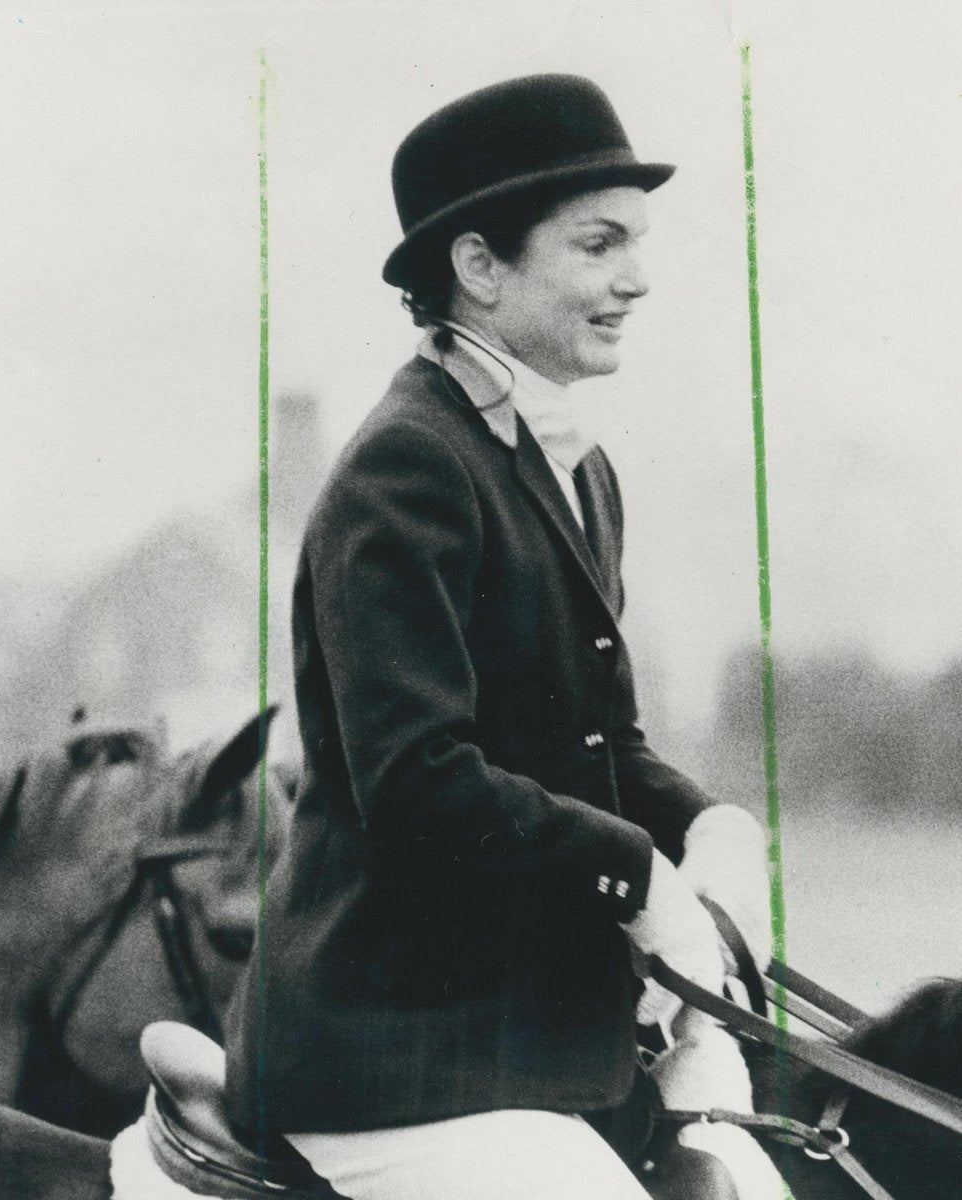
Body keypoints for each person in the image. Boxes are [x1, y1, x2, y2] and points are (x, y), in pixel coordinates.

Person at [224, 74, 773, 1200]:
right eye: (599, 243)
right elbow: (420, 783)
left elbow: (598, 746)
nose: (637, 277)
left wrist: (706, 824)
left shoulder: (574, 468)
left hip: (534, 1029)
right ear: (480, 268)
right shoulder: (408, 465)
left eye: (638, 242)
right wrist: (640, 879)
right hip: (395, 1053)